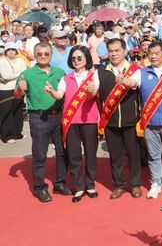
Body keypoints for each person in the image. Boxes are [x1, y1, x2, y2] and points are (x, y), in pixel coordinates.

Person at [127, 41, 162, 199]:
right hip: (150, 123)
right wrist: (124, 81)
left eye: (156, 53)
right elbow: (132, 82)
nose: (153, 56)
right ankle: (156, 183)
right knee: (153, 155)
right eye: (150, 53)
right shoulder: (142, 72)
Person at [14, 43, 70, 202]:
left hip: (58, 116)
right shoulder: (27, 74)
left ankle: (59, 183)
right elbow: (17, 95)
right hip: (38, 118)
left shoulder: (60, 72)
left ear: (51, 55)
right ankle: (40, 188)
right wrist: (20, 88)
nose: (43, 56)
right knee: (40, 154)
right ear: (35, 55)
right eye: (40, 54)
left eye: (46, 53)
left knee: (62, 152)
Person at [47, 45, 100, 202]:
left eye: (79, 58)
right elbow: (59, 95)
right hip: (70, 122)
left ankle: (90, 184)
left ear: (86, 59)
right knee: (74, 155)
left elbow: (92, 96)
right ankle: (79, 187)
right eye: (74, 58)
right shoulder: (66, 78)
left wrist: (91, 90)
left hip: (89, 120)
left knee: (90, 154)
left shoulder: (93, 76)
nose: (76, 61)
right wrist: (52, 91)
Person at [96, 38, 143, 199]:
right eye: (111, 51)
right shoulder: (101, 71)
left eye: (117, 50)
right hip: (111, 121)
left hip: (131, 120)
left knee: (133, 154)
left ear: (124, 51)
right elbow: (93, 91)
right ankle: (119, 185)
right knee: (115, 156)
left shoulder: (135, 69)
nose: (114, 54)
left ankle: (135, 185)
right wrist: (89, 90)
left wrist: (125, 81)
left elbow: (134, 82)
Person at [0, 42, 27, 143]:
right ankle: (7, 135)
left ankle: (17, 133)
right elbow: (5, 76)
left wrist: (14, 75)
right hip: (5, 89)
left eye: (13, 49)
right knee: (7, 112)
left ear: (16, 51)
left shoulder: (21, 60)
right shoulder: (2, 61)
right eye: (9, 50)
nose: (11, 51)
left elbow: (25, 73)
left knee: (18, 111)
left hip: (18, 88)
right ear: (5, 51)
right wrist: (19, 74)